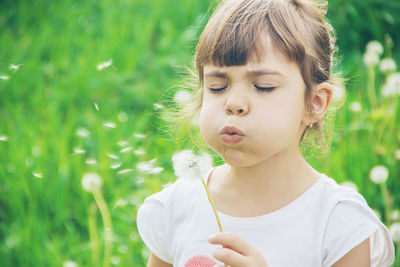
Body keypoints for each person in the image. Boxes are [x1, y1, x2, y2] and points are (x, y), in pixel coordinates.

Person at [137, 0, 395, 266]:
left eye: (263, 86)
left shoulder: (338, 224)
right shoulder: (176, 208)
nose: (234, 103)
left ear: (314, 103)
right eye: (217, 87)